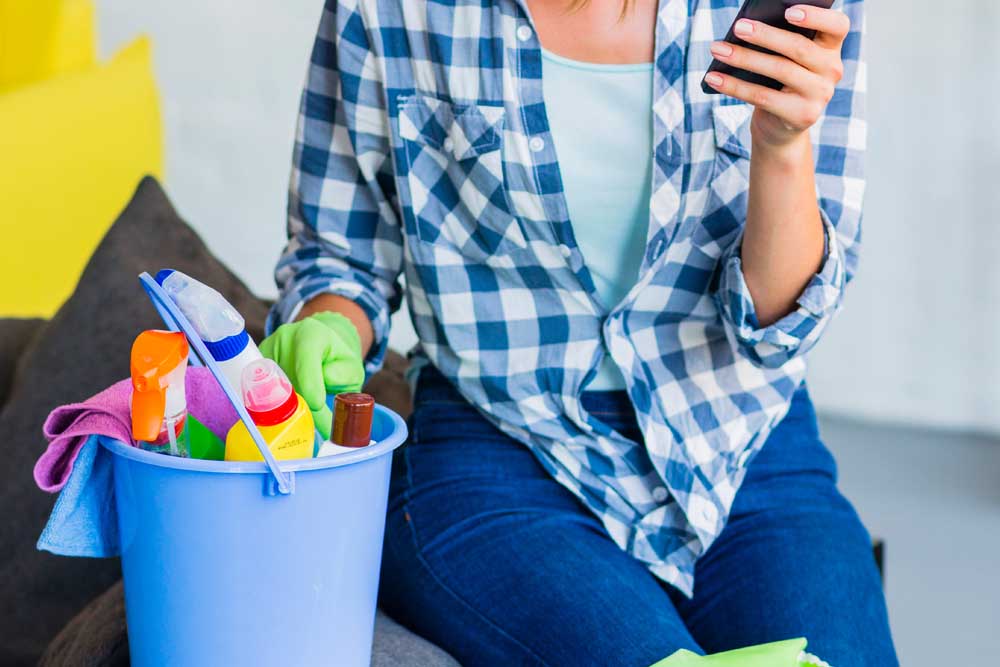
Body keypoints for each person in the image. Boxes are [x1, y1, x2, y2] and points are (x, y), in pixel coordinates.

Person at [262, 0, 897, 665]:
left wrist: (782, 146)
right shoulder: (388, 10)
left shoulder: (793, 12)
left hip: (740, 439)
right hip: (500, 442)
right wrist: (328, 324)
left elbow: (777, 330)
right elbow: (342, 251)